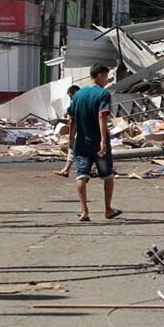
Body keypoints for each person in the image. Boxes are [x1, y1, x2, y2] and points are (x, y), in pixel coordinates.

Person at [68, 63, 121, 221]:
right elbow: (102, 116)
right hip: (98, 143)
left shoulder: (78, 95)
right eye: (106, 76)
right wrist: (103, 141)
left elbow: (71, 119)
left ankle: (84, 211)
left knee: (81, 175)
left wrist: (70, 139)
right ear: (99, 75)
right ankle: (108, 209)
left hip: (82, 143)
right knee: (107, 175)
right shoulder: (102, 94)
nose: (106, 80)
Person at [54, 85, 81, 178]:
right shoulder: (83, 101)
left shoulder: (76, 102)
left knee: (73, 149)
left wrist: (71, 137)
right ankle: (66, 169)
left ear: (75, 92)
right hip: (90, 131)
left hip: (82, 131)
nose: (71, 99)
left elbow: (72, 121)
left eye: (71, 96)